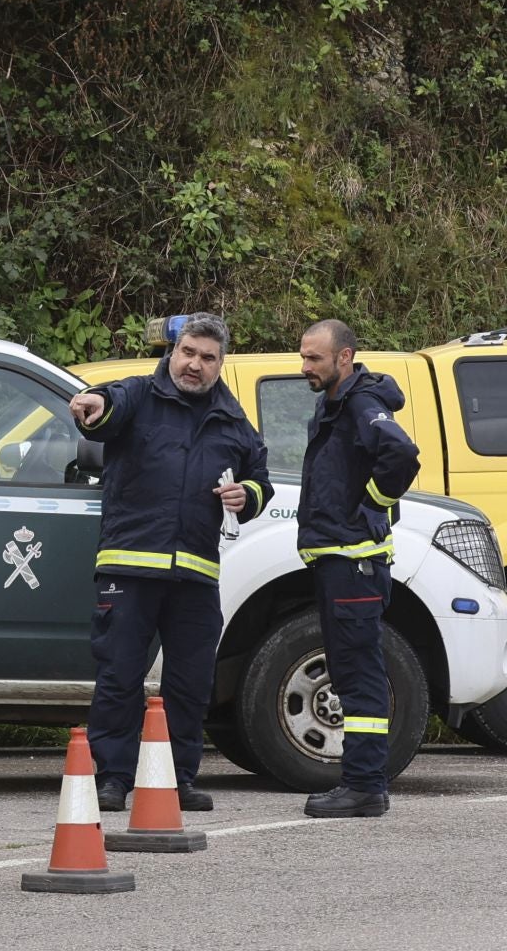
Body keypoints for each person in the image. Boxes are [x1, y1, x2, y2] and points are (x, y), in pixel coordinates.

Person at [68, 312, 273, 812]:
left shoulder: (233, 418)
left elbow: (260, 478)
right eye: (189, 353)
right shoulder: (139, 394)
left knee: (191, 682)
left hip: (195, 575)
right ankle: (113, 778)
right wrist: (93, 405)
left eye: (207, 358)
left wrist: (247, 494)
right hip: (130, 567)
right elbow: (106, 406)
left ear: (221, 364)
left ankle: (177, 779)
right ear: (173, 352)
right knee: (120, 676)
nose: (195, 365)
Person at [294, 319, 420, 818]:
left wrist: (371, 503)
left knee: (359, 674)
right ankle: (361, 783)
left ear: (344, 357)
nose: (305, 367)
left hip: (354, 565)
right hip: (339, 563)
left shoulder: (363, 404)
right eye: (303, 357)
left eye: (315, 359)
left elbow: (402, 455)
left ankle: (365, 785)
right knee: (348, 673)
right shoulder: (337, 403)